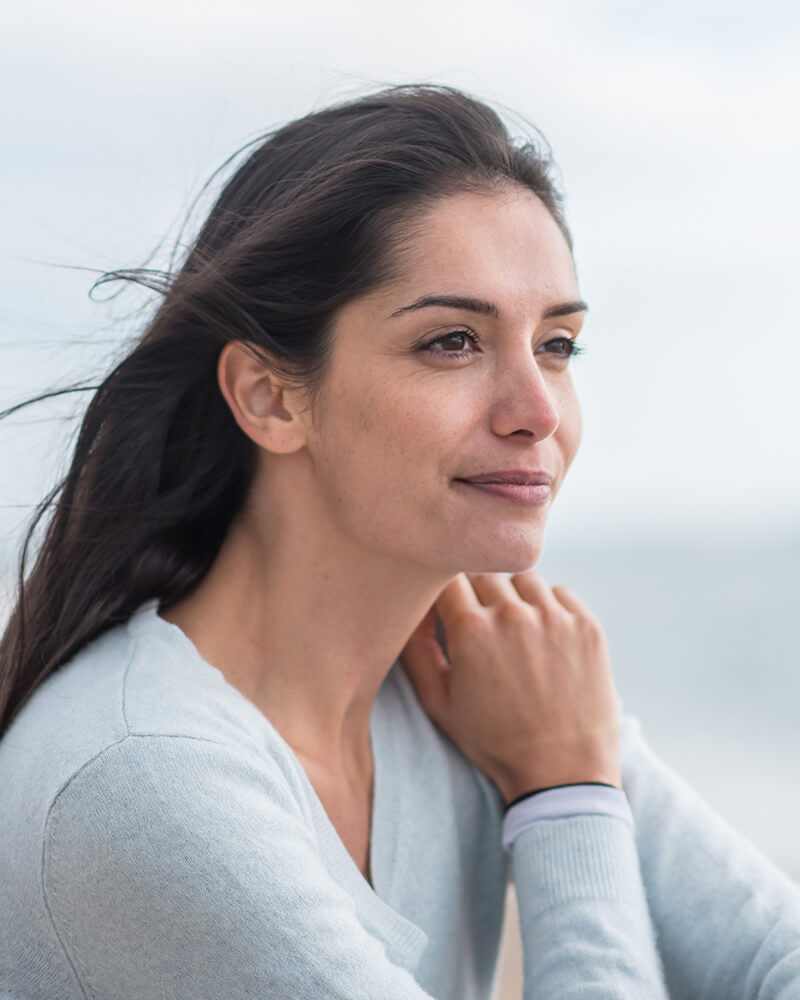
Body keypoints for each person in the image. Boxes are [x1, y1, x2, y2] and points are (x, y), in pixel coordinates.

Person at [0, 84, 798, 1000]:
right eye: (453, 342)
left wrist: (568, 762)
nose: (537, 411)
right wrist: (567, 800)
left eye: (559, 345)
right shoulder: (142, 778)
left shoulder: (484, 692)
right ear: (269, 396)